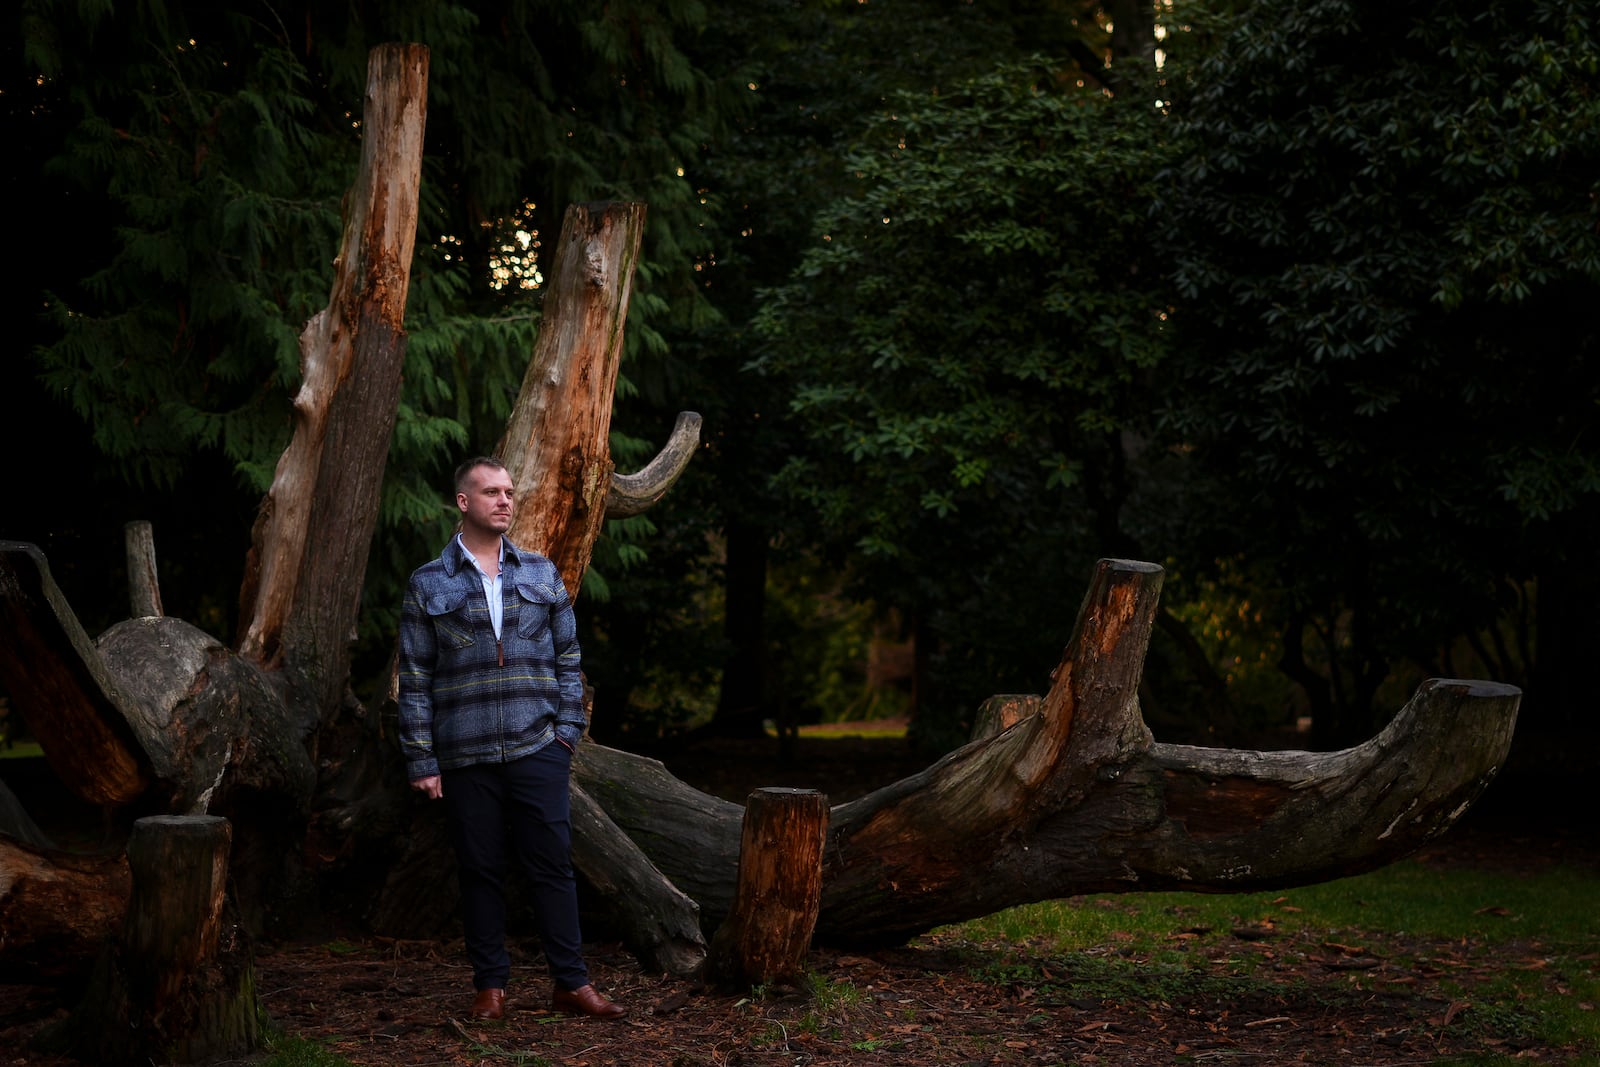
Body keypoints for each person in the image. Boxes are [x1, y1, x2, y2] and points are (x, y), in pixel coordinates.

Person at [398, 456, 626, 1022]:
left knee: (552, 865)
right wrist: (422, 758)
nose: (505, 500)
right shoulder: (429, 582)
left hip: (537, 747)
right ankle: (490, 989)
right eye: (492, 492)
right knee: (479, 869)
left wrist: (567, 735)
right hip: (464, 753)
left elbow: (569, 657)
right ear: (463, 502)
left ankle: (571, 984)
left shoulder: (541, 573)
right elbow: (416, 677)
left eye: (509, 491)